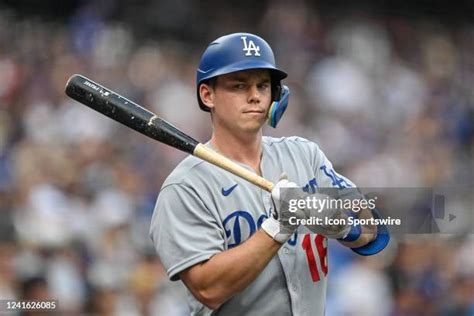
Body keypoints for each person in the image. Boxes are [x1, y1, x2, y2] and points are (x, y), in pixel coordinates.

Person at [149, 32, 390, 315]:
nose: (254, 96)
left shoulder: (304, 155)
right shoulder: (185, 187)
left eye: (262, 85)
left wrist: (343, 226)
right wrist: (277, 228)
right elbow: (208, 289)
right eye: (239, 86)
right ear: (207, 94)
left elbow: (374, 229)